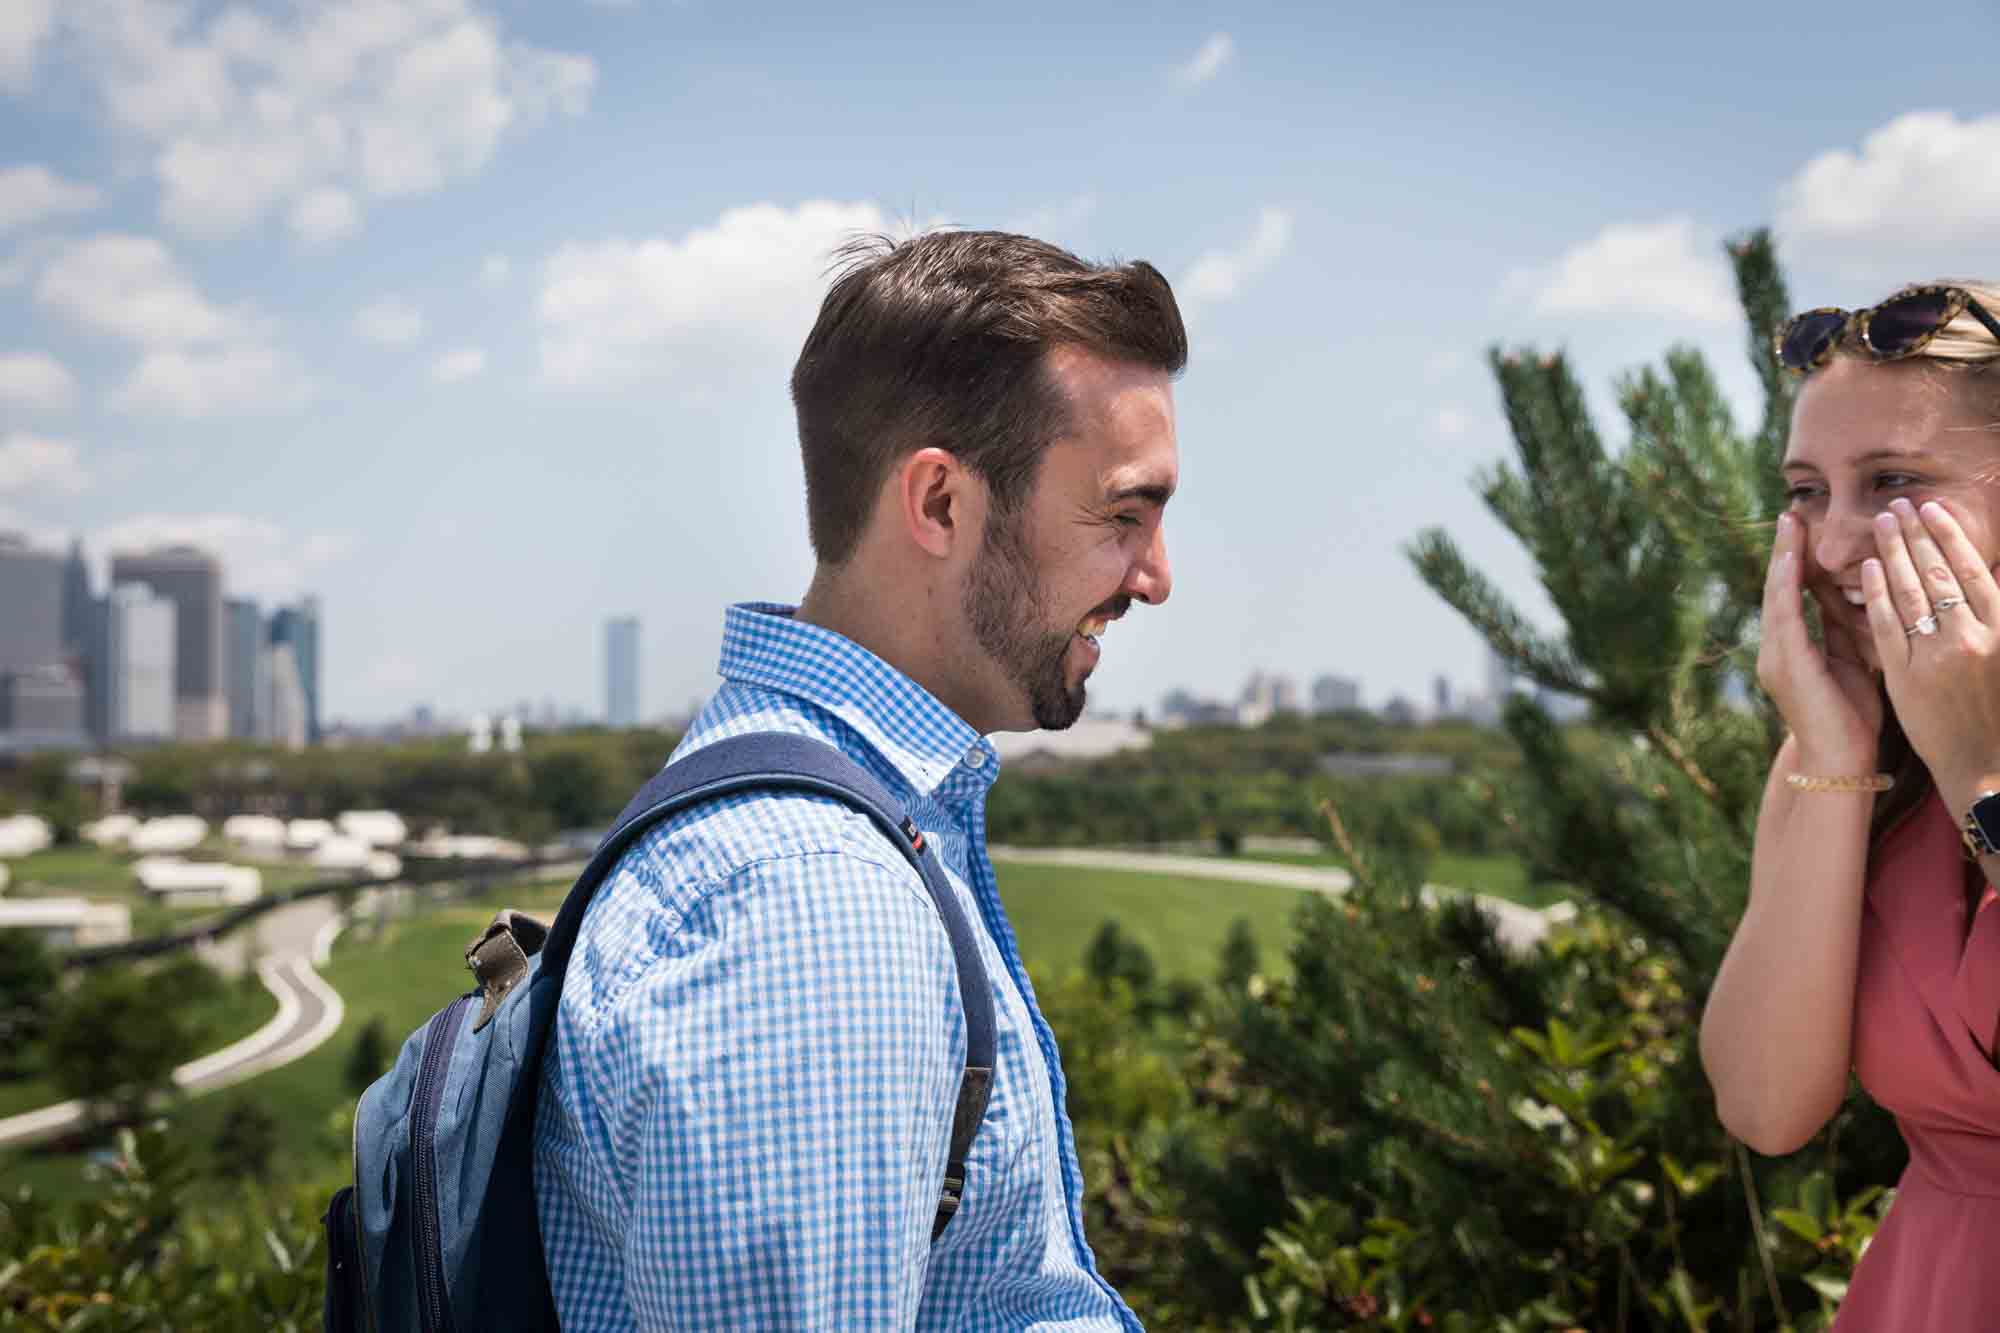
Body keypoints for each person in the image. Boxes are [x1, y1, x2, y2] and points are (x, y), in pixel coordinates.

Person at [533, 230, 1185, 1329]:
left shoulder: (835, 827)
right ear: (937, 504)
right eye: (1122, 514)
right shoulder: (812, 904)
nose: (1154, 578)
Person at [1701, 281, 2000, 1327]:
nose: (1830, 546)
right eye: (1804, 491)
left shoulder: (1950, 757)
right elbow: (1762, 1104)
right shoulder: (1855, 755)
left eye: (1891, 481)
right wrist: (1832, 756)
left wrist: (1974, 767)